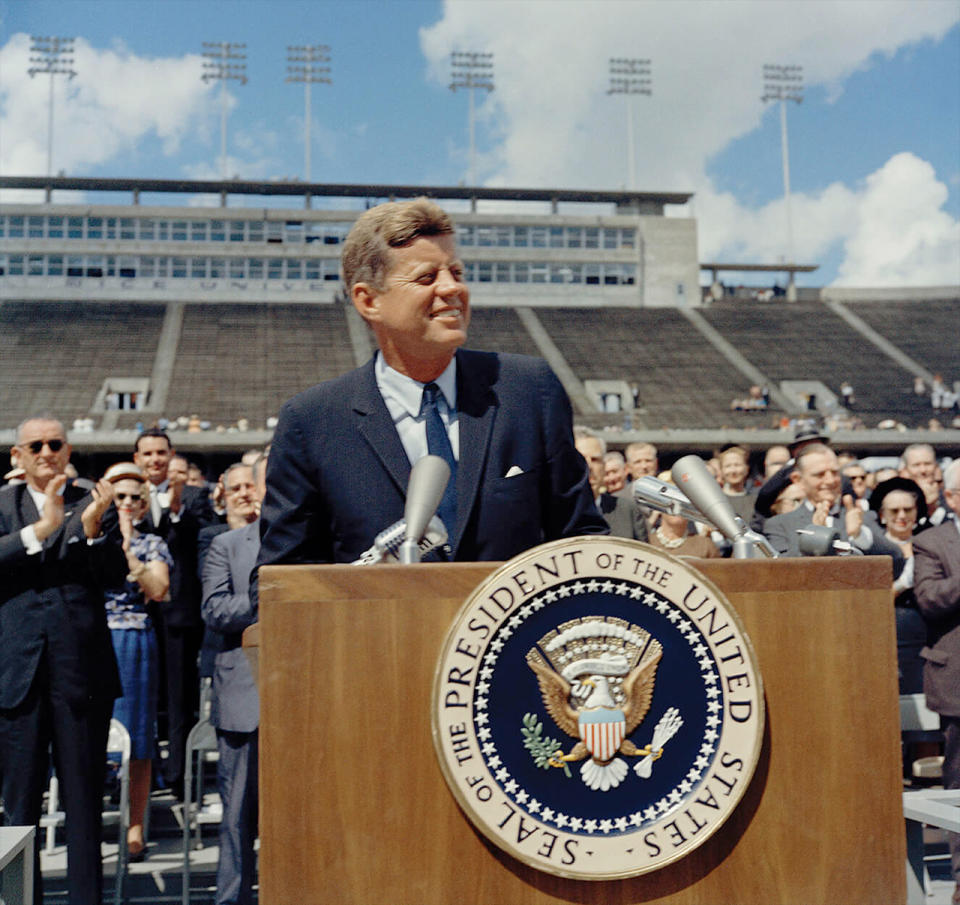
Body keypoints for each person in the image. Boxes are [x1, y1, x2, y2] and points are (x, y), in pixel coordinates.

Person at [256, 198, 606, 577]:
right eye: (427, 278)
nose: (452, 287)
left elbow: (581, 539)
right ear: (368, 300)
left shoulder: (528, 390)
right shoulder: (312, 422)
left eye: (456, 271)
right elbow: (284, 583)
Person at [0, 416, 125, 905]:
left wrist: (93, 532)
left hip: (82, 677)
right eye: (36, 445)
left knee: (83, 805)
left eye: (55, 443)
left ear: (68, 449)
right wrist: (42, 530)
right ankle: (17, 900)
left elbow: (116, 576)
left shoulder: (93, 502)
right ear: (18, 455)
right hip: (18, 678)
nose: (46, 451)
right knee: (18, 809)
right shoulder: (2, 505)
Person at [133, 427, 216, 799]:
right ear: (137, 458)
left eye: (160, 453)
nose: (154, 460)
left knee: (180, 699)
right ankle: (141, 783)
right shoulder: (128, 495)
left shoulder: (196, 497)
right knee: (142, 698)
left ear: (171, 456)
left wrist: (178, 506)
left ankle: (181, 782)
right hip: (136, 614)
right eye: (147, 454)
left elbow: (197, 542)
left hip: (179, 613)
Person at [201, 454, 266, 905]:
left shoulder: (311, 541)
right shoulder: (226, 545)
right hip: (244, 697)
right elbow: (215, 610)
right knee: (237, 818)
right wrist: (266, 599)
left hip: (303, 695)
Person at [101, 462, 172, 860]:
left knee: (138, 738)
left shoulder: (152, 544)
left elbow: (159, 588)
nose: (127, 503)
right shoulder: (91, 538)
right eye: (120, 496)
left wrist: (129, 551)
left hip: (133, 640)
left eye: (134, 498)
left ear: (144, 506)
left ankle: (135, 826)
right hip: (93, 640)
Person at [914, 459, 960, 905]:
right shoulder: (931, 542)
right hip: (958, 684)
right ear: (953, 496)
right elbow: (929, 600)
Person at [762, 443, 903, 560]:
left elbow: (896, 561)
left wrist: (860, 536)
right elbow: (780, 572)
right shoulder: (779, 525)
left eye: (835, 473)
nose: (830, 481)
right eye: (820, 474)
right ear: (798, 480)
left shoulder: (863, 518)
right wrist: (813, 538)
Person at [869, 477, 929, 694]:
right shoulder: (871, 549)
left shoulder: (930, 545)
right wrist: (902, 584)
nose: (902, 516)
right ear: (882, 515)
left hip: (924, 639)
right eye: (894, 511)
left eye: (908, 509)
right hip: (885, 636)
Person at [574, 428, 646, 541]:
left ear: (604, 466)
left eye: (595, 459)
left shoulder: (627, 510)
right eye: (581, 459)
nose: (589, 466)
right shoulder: (548, 513)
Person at [646, 472, 719, 558]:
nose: (678, 507)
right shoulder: (646, 544)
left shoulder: (705, 546)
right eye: (672, 502)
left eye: (683, 503)